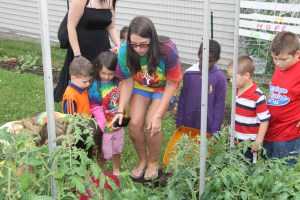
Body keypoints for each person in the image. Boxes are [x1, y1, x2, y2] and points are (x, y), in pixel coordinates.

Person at [109, 16, 182, 181]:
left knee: (151, 124)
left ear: (153, 39)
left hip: (163, 88)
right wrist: (120, 110)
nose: (139, 49)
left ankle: (153, 162)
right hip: (140, 86)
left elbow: (172, 83)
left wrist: (158, 116)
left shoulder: (168, 50)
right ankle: (142, 160)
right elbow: (127, 82)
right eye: (134, 44)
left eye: (143, 44)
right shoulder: (125, 51)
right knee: (134, 124)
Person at [54, 0, 120, 102]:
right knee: (83, 77)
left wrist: (119, 45)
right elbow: (71, 27)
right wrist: (77, 55)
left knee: (100, 77)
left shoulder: (111, 1)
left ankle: (98, 102)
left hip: (102, 47)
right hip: (82, 48)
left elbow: (111, 27)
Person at [176, 39, 227, 136]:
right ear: (198, 54)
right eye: (203, 59)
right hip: (188, 121)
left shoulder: (220, 78)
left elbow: (219, 106)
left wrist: (215, 129)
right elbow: (183, 98)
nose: (206, 63)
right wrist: (180, 119)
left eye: (210, 61)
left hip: (208, 125)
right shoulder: (190, 74)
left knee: (204, 150)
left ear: (217, 59)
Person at [263, 31, 300, 161]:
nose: (278, 63)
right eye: (274, 58)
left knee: (282, 173)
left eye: (283, 59)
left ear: (297, 54)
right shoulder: (280, 66)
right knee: (266, 169)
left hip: (287, 136)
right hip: (270, 130)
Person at [227, 55, 270, 163]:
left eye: (233, 77)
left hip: (249, 143)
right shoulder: (236, 91)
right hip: (235, 139)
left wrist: (258, 141)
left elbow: (264, 121)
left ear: (246, 75)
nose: (231, 81)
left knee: (247, 167)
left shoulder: (258, 97)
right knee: (233, 164)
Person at [88, 51, 124, 175]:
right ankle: (100, 171)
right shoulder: (95, 86)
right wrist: (103, 125)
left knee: (117, 148)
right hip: (104, 126)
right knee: (102, 151)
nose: (107, 77)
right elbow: (95, 107)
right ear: (97, 69)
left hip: (118, 123)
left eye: (111, 74)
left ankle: (116, 168)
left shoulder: (118, 82)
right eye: (103, 73)